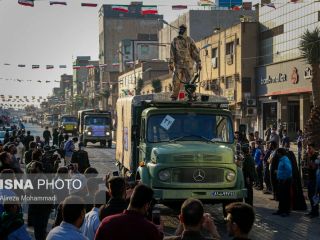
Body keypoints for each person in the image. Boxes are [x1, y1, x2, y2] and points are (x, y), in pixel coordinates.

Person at [95, 184, 163, 240]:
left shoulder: (107, 222)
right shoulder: (150, 229)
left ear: (130, 199)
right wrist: (160, 232)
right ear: (146, 205)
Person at [169, 24, 201, 101]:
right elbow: (172, 53)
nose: (181, 31)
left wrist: (198, 62)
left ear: (185, 30)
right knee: (176, 80)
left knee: (190, 81)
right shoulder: (175, 40)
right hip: (178, 64)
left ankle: (192, 94)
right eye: (180, 29)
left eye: (183, 29)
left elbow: (194, 53)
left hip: (188, 64)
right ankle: (174, 95)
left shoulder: (190, 40)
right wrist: (171, 63)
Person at [272, 148, 292, 217]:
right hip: (281, 180)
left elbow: (289, 170)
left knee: (285, 196)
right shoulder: (281, 160)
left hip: (285, 181)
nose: (277, 154)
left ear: (280, 153)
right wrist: (278, 172)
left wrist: (285, 178)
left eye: (278, 153)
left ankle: (286, 211)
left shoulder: (285, 159)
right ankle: (280, 210)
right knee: (281, 196)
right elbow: (283, 169)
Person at [305, 143, 319, 218]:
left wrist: (309, 159)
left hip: (315, 179)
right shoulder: (310, 156)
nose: (308, 150)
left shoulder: (316, 156)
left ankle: (315, 212)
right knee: (310, 195)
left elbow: (314, 167)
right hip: (310, 178)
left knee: (314, 196)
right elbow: (308, 166)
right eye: (307, 148)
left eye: (309, 148)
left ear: (313, 148)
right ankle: (312, 210)